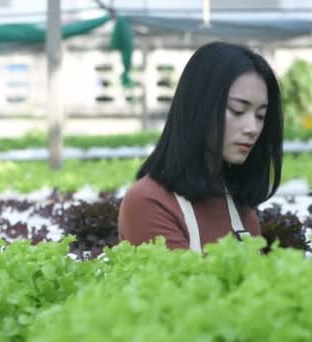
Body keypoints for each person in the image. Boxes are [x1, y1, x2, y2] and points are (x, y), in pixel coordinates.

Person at [118, 41, 284, 252]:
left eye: (260, 115)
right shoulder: (148, 202)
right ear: (199, 108)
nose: (252, 128)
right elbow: (176, 284)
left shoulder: (238, 203)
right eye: (238, 111)